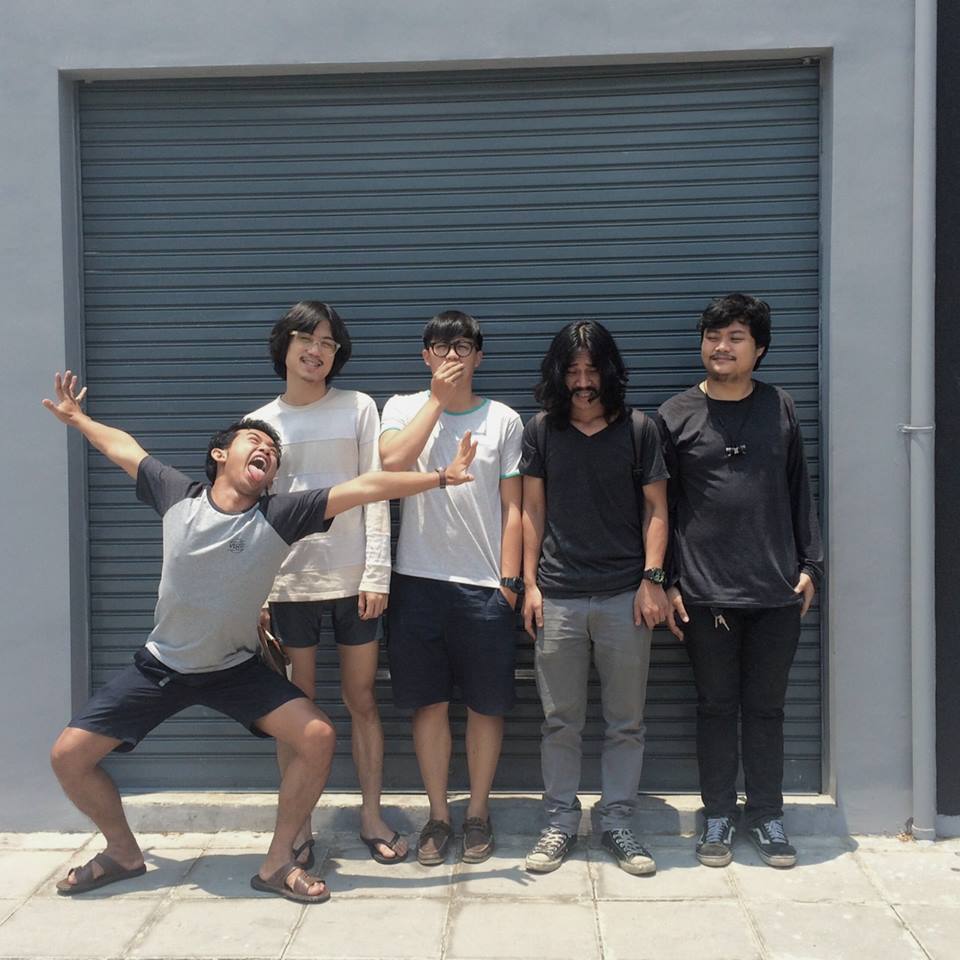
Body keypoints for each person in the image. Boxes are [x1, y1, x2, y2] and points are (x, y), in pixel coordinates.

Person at [43, 370, 476, 903]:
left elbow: (366, 487)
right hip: (162, 667)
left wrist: (439, 478)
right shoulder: (177, 495)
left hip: (235, 670)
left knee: (317, 735)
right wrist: (78, 419)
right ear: (220, 454)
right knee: (68, 756)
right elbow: (124, 448)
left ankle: (277, 863)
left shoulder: (281, 514)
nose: (267, 450)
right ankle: (122, 852)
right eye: (255, 440)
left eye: (273, 450)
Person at [655, 293, 823, 870]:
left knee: (768, 709)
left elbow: (799, 489)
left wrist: (811, 566)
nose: (720, 347)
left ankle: (768, 815)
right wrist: (667, 580)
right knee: (716, 707)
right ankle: (719, 814)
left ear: (759, 348)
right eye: (712, 336)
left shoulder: (780, 407)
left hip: (776, 590)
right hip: (705, 594)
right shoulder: (675, 415)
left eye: (735, 337)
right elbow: (660, 507)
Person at [247, 301, 405, 866]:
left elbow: (376, 489)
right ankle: (299, 827)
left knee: (361, 699)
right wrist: (259, 591)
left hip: (355, 582)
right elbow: (253, 513)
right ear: (284, 345)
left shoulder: (358, 408)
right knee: (298, 709)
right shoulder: (259, 423)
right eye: (306, 339)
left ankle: (371, 815)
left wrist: (377, 572)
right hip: (290, 586)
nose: (316, 351)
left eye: (328, 343)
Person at [520, 320, 670, 876]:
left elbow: (657, 509)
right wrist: (529, 584)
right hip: (558, 597)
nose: (583, 382)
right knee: (560, 721)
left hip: (624, 598)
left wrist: (652, 579)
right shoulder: (541, 431)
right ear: (557, 375)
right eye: (572, 371)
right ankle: (559, 823)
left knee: (625, 721)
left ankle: (618, 823)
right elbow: (532, 511)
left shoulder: (639, 429)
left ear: (609, 372)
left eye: (592, 370)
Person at [379, 310, 522, 866]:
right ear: (425, 356)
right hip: (417, 582)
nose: (452, 356)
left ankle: (478, 813)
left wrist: (509, 582)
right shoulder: (401, 408)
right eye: (441, 347)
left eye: (463, 346)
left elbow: (514, 508)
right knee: (428, 704)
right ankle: (438, 816)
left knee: (487, 705)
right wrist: (436, 401)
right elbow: (392, 464)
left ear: (479, 356)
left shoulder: (504, 420)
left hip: (485, 586)